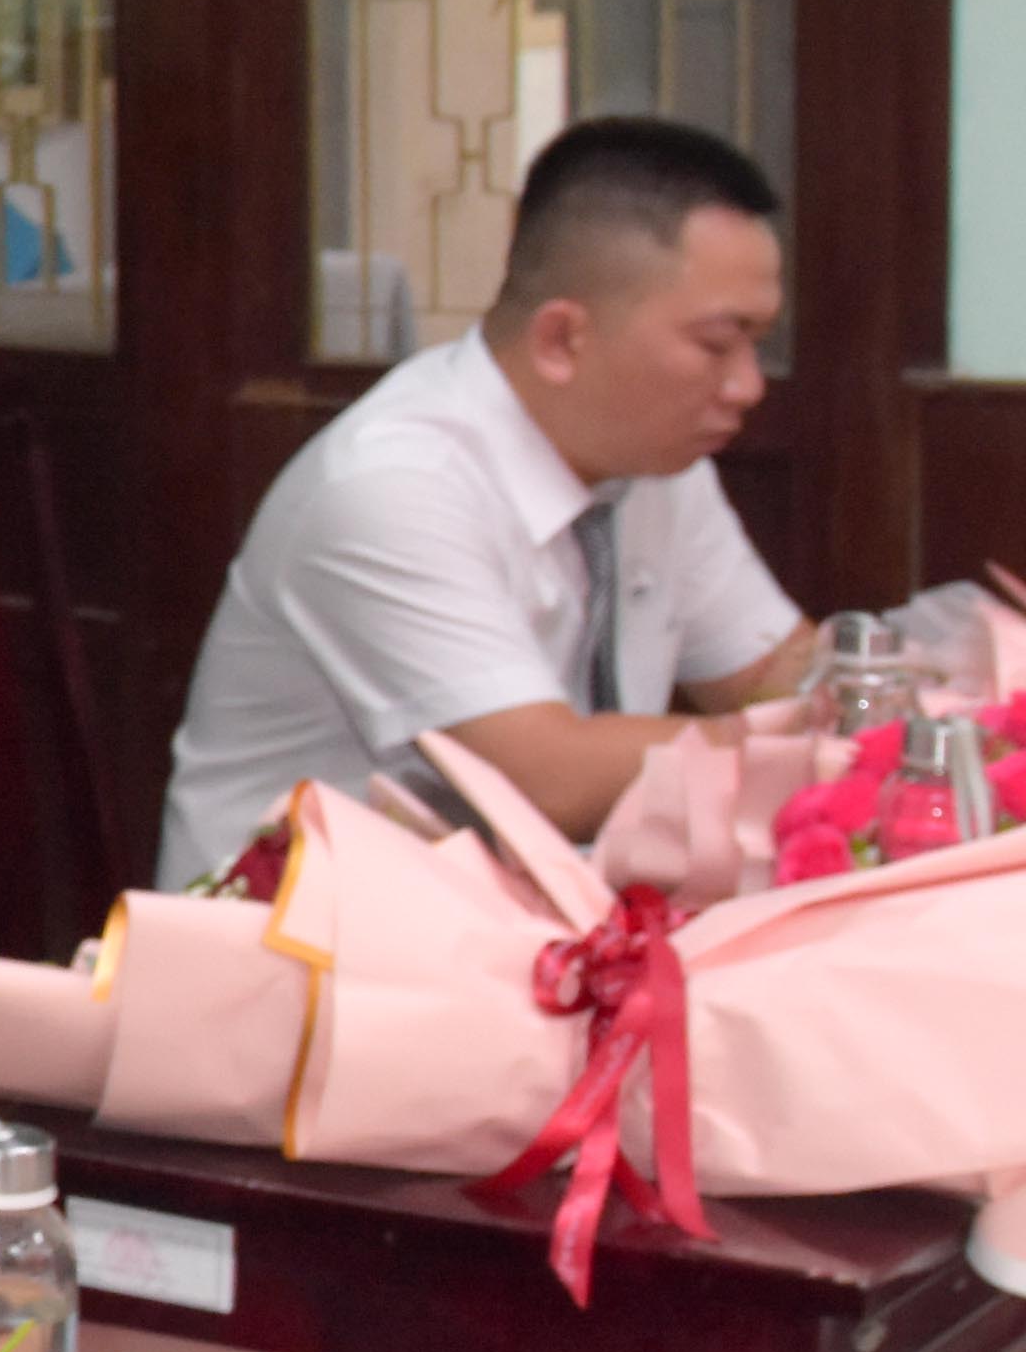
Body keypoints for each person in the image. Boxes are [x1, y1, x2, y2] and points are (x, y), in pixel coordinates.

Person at [157, 117, 817, 884]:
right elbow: (547, 779)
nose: (748, 386)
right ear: (562, 338)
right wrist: (798, 735)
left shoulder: (659, 464)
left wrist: (871, 694)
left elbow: (774, 669)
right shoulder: (392, 486)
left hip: (522, 916)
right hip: (302, 930)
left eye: (757, 344)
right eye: (717, 345)